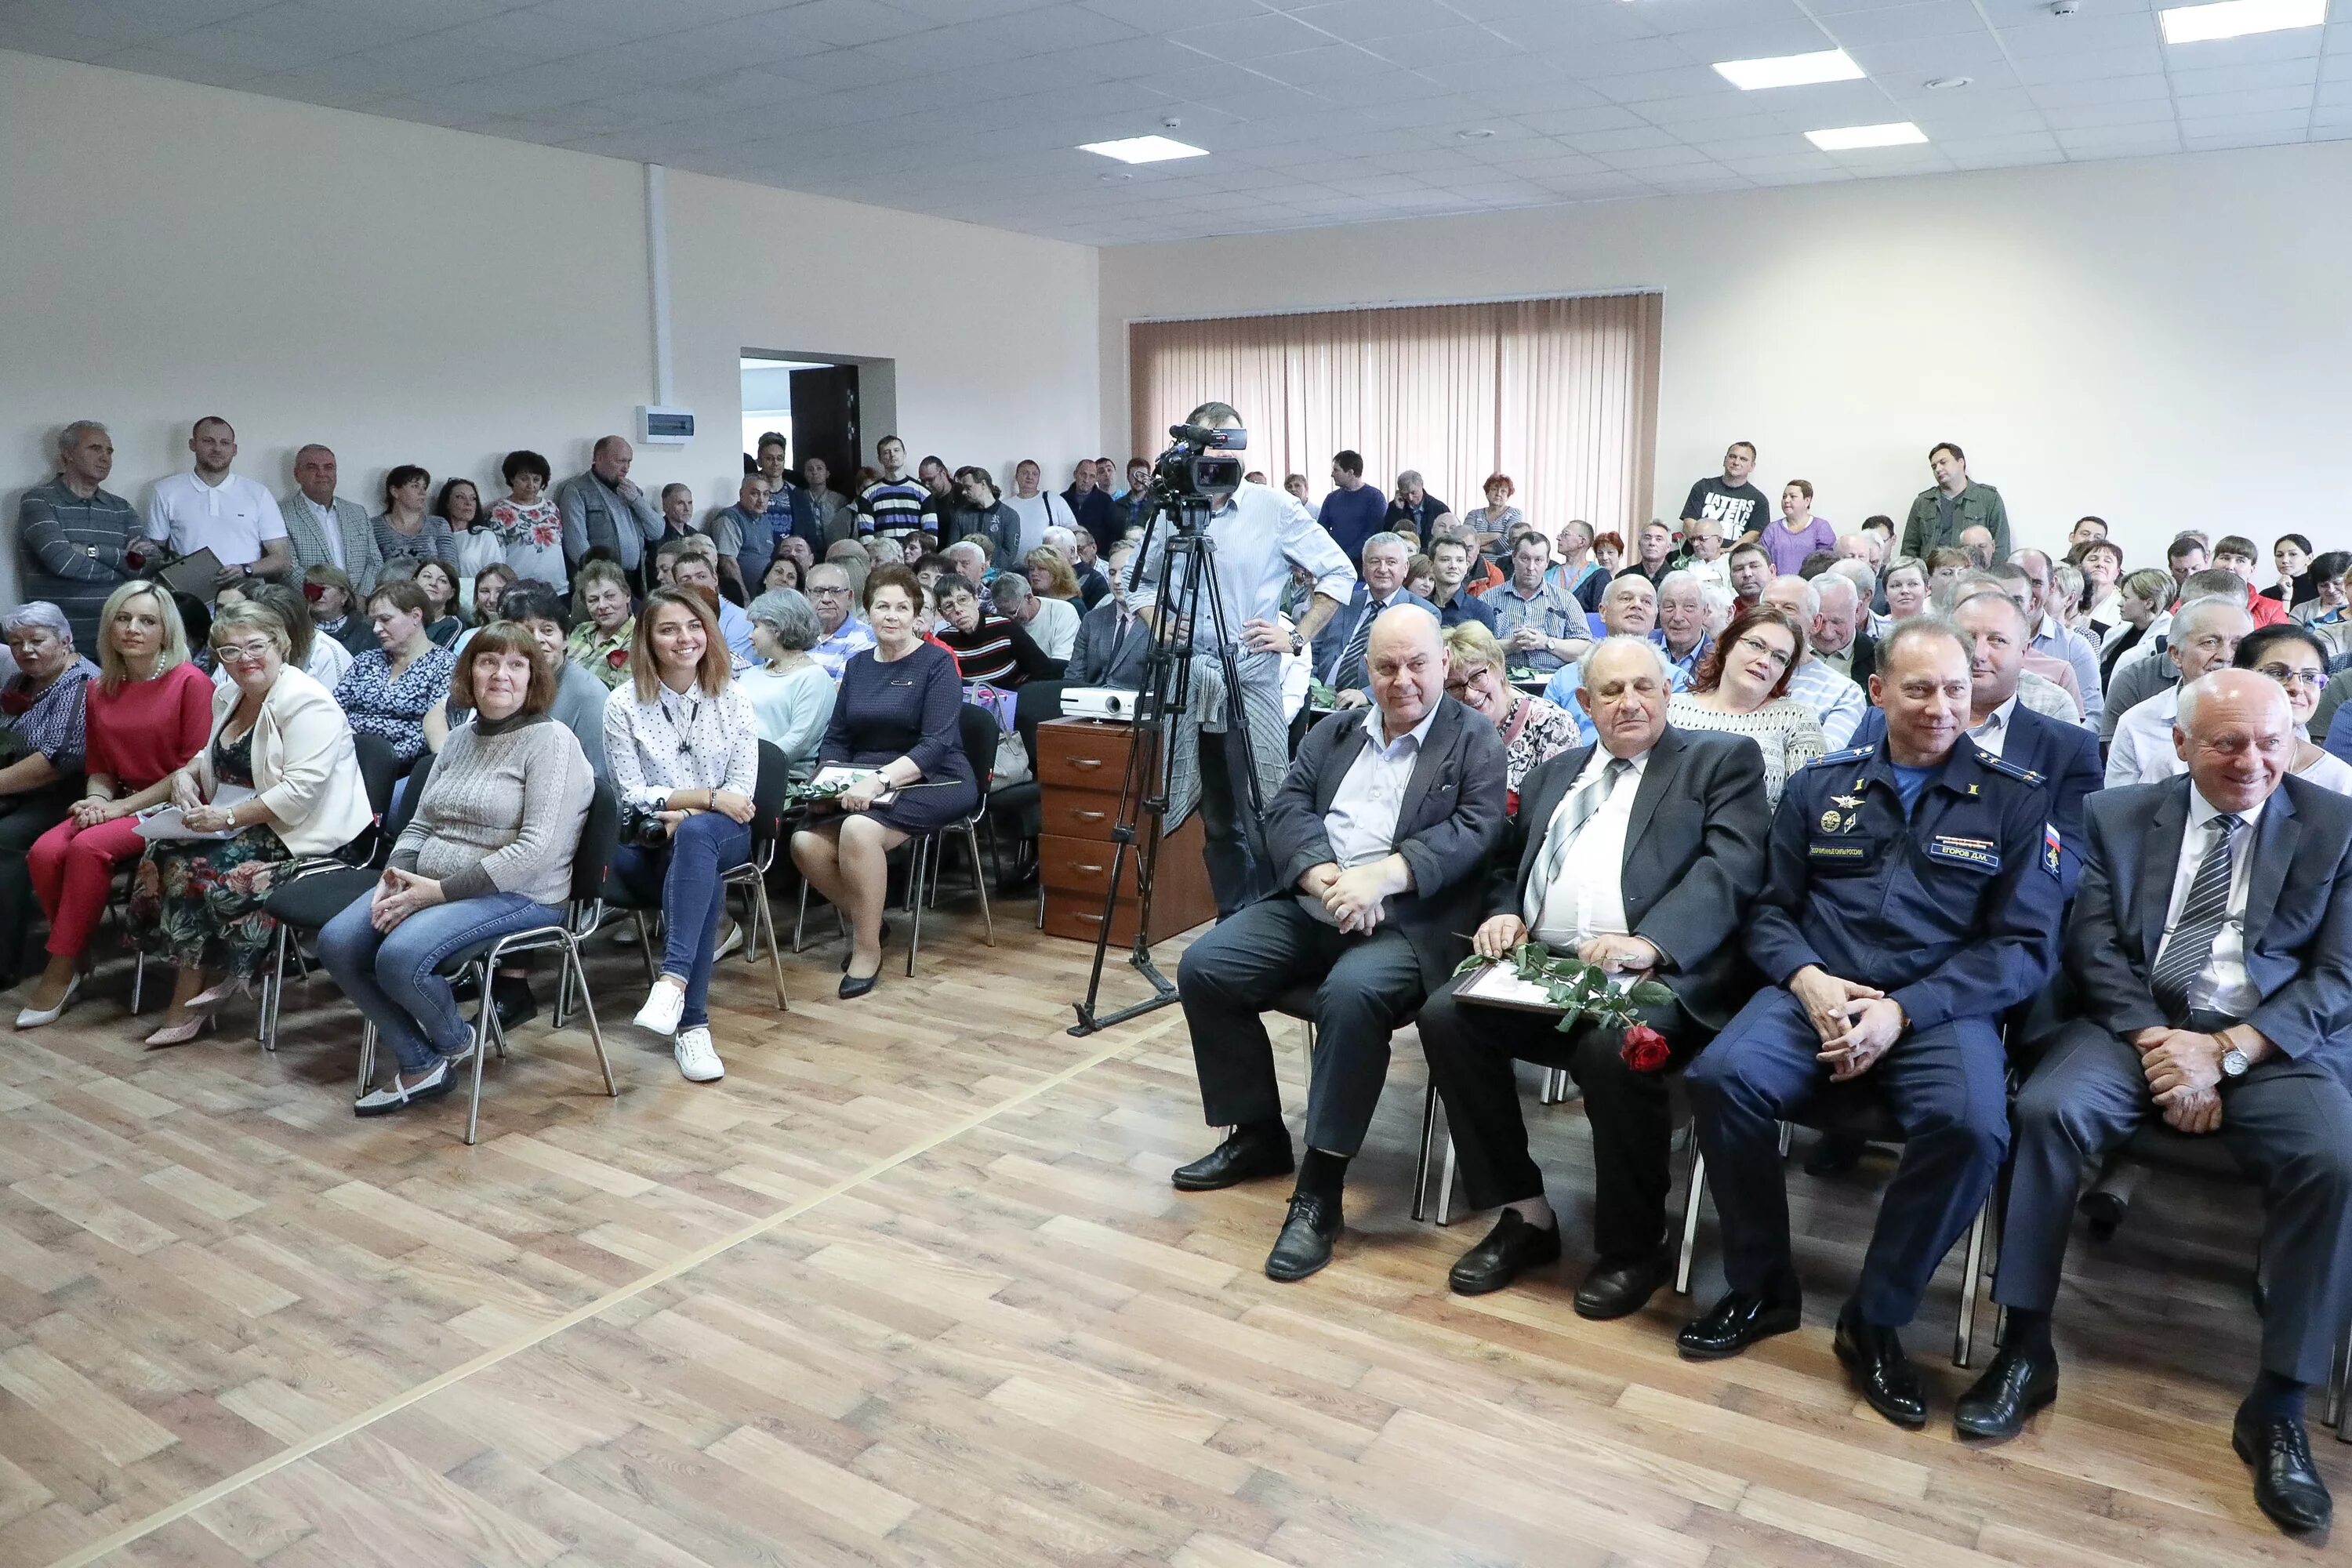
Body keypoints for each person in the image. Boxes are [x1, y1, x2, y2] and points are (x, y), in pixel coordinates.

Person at [1962, 670, 2352, 1534]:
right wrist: (2160, 1042)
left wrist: (2225, 1052)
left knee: (2336, 1157)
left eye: (2269, 742)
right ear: (2180, 744)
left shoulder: (2338, 826)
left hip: (2267, 1041)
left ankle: (2280, 1403)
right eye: (2226, 743)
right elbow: (2091, 942)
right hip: (2134, 1024)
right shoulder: (2119, 815)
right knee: (2044, 1112)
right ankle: (2024, 1347)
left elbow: (2338, 975)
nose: (2251, 761)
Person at [1679, 619, 2063, 1430]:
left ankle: (1877, 1316)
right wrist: (1809, 978)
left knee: (1969, 1126)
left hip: (1940, 1007)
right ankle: (1761, 1285)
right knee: (1721, 1079)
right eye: (1919, 687)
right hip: (1815, 989)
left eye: (1955, 688)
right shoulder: (1825, 783)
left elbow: (2024, 948)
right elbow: (1769, 909)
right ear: (1879, 690)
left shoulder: (2017, 799)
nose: (1940, 705)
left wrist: (1902, 1009)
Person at [1424, 637, 1769, 1312]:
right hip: (1542, 967)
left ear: (1668, 693)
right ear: (1585, 703)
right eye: (1610, 692)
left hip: (1654, 974)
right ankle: (1526, 1214)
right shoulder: (1557, 773)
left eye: (1644, 687)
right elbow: (1505, 865)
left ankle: (1634, 1246)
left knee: (1609, 1050)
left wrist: (1651, 943)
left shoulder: (1718, 761)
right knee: (1445, 1016)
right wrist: (1503, 915)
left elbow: (1732, 868)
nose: (1629, 702)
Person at [1171, 608, 1506, 1281]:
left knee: (1349, 998)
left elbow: (1476, 831)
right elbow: (1288, 808)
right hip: (1316, 904)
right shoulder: (1337, 730)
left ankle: (1320, 1192)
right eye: (1386, 667)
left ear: (1444, 663)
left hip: (1410, 922)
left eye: (1416, 664)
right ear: (1366, 669)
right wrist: (1326, 878)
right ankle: (1258, 1133)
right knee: (1205, 966)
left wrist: (1381, 878)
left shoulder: (1474, 740)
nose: (1401, 680)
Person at [327, 623, 596, 1116]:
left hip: (524, 896)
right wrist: (397, 875)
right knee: (339, 942)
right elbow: (420, 822)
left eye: (517, 664)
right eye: (488, 661)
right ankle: (420, 1060)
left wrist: (436, 893)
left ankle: (453, 1040)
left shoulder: (551, 742)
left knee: (400, 957)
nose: (501, 674)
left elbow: (535, 851)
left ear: (534, 677)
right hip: (430, 887)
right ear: (469, 671)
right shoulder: (458, 740)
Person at [1135, 406, 1357, 917]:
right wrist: (1160, 622)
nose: (1220, 463)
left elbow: (1338, 575)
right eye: (1211, 453)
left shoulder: (1274, 507)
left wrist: (1296, 637)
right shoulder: (1173, 508)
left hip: (1249, 677)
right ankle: (1233, 919)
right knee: (1216, 821)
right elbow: (1139, 583)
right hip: (1189, 679)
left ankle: (1276, 921)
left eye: (1231, 452)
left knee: (1266, 810)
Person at [130, 602, 371, 1047]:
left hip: (305, 834)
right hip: (245, 821)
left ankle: (199, 992)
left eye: (255, 646)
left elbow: (300, 792)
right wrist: (186, 774)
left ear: (280, 645)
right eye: (229, 651)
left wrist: (225, 817)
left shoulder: (307, 702)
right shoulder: (228, 694)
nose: (244, 659)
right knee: (158, 853)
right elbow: (214, 756)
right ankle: (209, 975)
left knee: (200, 870)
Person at [18, 584, 216, 1028]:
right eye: (124, 618)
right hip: (120, 802)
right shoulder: (99, 688)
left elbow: (194, 769)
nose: (133, 629)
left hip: (176, 804)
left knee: (86, 849)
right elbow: (102, 767)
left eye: (147, 621)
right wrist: (95, 800)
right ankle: (77, 952)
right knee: (45, 852)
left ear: (166, 630)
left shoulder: (191, 681)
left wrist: (120, 810)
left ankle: (60, 969)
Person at [792, 564, 978, 1000]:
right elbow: (837, 736)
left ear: (916, 614)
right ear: (868, 611)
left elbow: (936, 744)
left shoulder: (937, 662)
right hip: (863, 780)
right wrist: (830, 781)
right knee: (805, 844)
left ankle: (866, 949)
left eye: (902, 607)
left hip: (935, 777)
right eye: (882, 606)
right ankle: (872, 919)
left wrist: (876, 782)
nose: (891, 616)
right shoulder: (857, 666)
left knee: (858, 830)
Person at [602, 588, 758, 1080]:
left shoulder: (732, 697)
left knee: (697, 841)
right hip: (650, 840)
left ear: (709, 634)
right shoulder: (622, 705)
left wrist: (688, 810)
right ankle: (692, 1027)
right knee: (694, 858)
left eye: (694, 626)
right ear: (648, 639)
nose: (684, 638)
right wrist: (703, 802)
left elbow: (742, 795)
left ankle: (672, 983)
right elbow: (630, 794)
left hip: (726, 833)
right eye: (668, 629)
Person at [0, 606, 98, 989]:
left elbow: (58, 759)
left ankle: (5, 961)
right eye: (17, 643)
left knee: (5, 839)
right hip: (18, 784)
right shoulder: (23, 680)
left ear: (65, 640)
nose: (27, 650)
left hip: (69, 793)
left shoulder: (82, 683)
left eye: (37, 641)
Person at [1667, 605, 1825, 807]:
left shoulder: (1798, 720)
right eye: (1757, 645)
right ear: (1727, 645)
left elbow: (1809, 809)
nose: (1765, 661)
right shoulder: (1672, 709)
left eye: (1779, 657)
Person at [20, 421, 145, 651]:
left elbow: (145, 566)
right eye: (95, 448)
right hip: (58, 641)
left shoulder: (121, 507)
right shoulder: (38, 501)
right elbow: (63, 562)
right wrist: (123, 567)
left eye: (109, 451)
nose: (105, 458)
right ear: (68, 454)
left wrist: (94, 551)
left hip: (118, 637)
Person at [2108, 596, 2252, 787]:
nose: (2226, 656)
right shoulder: (2137, 724)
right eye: (2210, 642)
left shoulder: (2275, 720)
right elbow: (2116, 810)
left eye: (2238, 644)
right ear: (2176, 654)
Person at [1442, 621, 1581, 811]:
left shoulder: (1552, 724)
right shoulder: (1447, 726)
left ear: (1499, 666)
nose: (1470, 694)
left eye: (1477, 677)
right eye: (1455, 686)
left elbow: (1558, 812)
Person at [147, 417, 292, 590]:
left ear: (234, 449)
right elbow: (155, 554)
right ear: (193, 444)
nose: (217, 448)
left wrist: (245, 570)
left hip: (246, 599)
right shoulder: (166, 490)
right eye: (208, 441)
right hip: (189, 600)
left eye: (225, 443)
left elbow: (281, 559)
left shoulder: (258, 493)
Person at [336, 581, 459, 764]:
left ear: (416, 616)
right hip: (344, 759)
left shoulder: (444, 665)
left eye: (385, 619)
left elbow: (431, 732)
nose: (376, 629)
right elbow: (335, 710)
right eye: (374, 621)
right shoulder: (366, 660)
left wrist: (378, 761)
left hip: (402, 769)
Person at [1312, 534, 1439, 703]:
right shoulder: (1342, 601)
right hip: (1318, 704)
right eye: (1375, 562)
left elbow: (1420, 671)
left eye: (1391, 562)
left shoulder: (1422, 612)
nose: (1383, 569)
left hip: (1376, 707)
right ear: (1364, 568)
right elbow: (1312, 652)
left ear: (1406, 568)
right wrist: (1310, 687)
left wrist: (1367, 695)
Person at [2228, 625, 2352, 793]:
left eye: (2309, 677)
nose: (2297, 687)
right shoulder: (2202, 753)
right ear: (2238, 676)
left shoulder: (2338, 779)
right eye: (2277, 673)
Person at [1542, 573, 1664, 735]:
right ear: (1603, 611)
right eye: (1626, 598)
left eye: (1646, 602)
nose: (1637, 605)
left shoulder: (1675, 680)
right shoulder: (1564, 680)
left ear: (1655, 616)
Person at [1757, 576, 1866, 749]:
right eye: (1768, 607)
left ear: (1815, 623)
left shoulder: (1844, 692)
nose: (1776, 615)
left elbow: (1826, 759)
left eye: (1789, 608)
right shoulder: (1741, 672)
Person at [738, 590, 837, 779]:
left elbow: (798, 741)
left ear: (777, 629)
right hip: (738, 775)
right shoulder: (751, 673)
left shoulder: (814, 678)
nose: (750, 636)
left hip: (783, 781)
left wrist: (744, 765)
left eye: (755, 626)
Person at [2009, 550, 2103, 728]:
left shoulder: (2075, 648)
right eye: (2018, 580)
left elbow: (2092, 717)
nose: (2026, 591)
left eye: (2036, 583)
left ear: (2051, 586)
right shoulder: (1975, 641)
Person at [273, 442, 382, 592]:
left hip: (359, 604)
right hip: (309, 607)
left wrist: (361, 597)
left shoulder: (357, 512)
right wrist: (330, 598)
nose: (322, 473)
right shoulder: (279, 514)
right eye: (312, 467)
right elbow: (289, 570)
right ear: (297, 475)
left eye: (329, 467)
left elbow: (374, 561)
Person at [1477, 530, 1586, 677]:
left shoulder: (1565, 600)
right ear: (1513, 558)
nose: (1531, 567)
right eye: (1525, 558)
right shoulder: (1489, 599)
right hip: (1503, 680)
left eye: (1538, 560)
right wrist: (1510, 645)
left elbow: (1585, 649)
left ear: (1547, 562)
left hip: (1552, 682)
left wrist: (1546, 642)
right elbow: (1474, 648)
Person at [557, 437, 663, 585]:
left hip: (636, 578)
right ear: (599, 458)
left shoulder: (631, 490)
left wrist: (636, 501)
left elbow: (657, 531)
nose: (626, 468)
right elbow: (576, 545)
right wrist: (600, 576)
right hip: (600, 580)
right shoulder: (577, 490)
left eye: (629, 462)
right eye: (620, 461)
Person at [933, 573, 1058, 688]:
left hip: (1016, 701)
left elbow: (1044, 672)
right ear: (943, 615)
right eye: (949, 606)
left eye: (963, 599)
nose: (958, 609)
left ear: (977, 600)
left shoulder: (1006, 628)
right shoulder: (943, 641)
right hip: (974, 706)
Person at [1896, 442, 2009, 563]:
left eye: (1943, 462)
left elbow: (2001, 547)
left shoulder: (1988, 498)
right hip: (1932, 577)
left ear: (1961, 462)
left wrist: (1989, 580)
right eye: (1934, 467)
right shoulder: (1923, 503)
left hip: (1974, 577)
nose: (1938, 469)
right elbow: (1909, 551)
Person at [1064, 546, 1154, 689]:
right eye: (1112, 573)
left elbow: (1158, 689)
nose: (1117, 580)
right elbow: (1073, 677)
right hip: (1089, 704)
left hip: (1135, 707)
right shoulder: (1092, 620)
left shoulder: (1162, 624)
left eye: (1125, 573)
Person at [491, 450, 568, 593]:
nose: (531, 485)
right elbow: (497, 558)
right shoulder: (500, 511)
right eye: (524, 479)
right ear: (512, 479)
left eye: (536, 479)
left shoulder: (551, 507)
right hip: (521, 591)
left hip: (558, 588)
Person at [670, 546, 757, 662]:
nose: (695, 583)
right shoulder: (672, 616)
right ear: (677, 586)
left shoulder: (739, 619)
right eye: (686, 579)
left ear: (715, 579)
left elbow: (736, 669)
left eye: (701, 576)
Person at [564, 560, 636, 691]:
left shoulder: (639, 638)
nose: (602, 606)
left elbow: (622, 694)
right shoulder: (580, 630)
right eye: (593, 600)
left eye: (610, 596)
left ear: (627, 595)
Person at [1680, 441, 1770, 542]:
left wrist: (1728, 552)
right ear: (1724, 460)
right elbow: (1689, 523)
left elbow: (1755, 534)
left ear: (1752, 466)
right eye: (1732, 457)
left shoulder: (1759, 500)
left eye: (1743, 459)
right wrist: (1707, 547)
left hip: (1733, 556)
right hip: (1697, 553)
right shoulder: (1703, 487)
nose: (1736, 462)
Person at [705, 473, 775, 602]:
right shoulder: (730, 518)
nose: (761, 500)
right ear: (742, 494)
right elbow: (727, 562)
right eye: (755, 494)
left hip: (766, 596)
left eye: (766, 494)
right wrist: (744, 597)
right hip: (744, 597)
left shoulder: (766, 522)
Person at [371, 463, 452, 568]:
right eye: (415, 486)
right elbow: (371, 569)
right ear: (395, 491)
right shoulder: (374, 527)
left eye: (424, 487)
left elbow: (451, 570)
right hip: (391, 584)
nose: (423, 493)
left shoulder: (439, 525)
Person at [439, 479, 504, 610]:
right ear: (447, 502)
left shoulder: (484, 536)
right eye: (460, 497)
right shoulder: (437, 536)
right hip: (442, 603)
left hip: (474, 605)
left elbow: (495, 576)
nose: (468, 503)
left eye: (473, 498)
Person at [750, 433, 818, 556]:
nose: (775, 463)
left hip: (791, 558)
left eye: (779, 458)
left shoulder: (798, 495)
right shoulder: (751, 494)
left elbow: (811, 536)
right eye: (769, 458)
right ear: (759, 462)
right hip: (761, 557)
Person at [991, 572, 1079, 664]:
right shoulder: (999, 620)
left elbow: (1062, 663)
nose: (1009, 620)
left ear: (1029, 597)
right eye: (1001, 614)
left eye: (1013, 613)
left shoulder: (1063, 612)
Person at [945, 466, 1021, 569]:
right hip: (964, 574)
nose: (963, 492)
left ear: (983, 484)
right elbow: (953, 548)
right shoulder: (960, 515)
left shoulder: (1010, 516)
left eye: (968, 487)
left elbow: (1009, 553)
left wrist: (989, 572)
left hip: (996, 576)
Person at [855, 436, 927, 543]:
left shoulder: (924, 492)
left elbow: (930, 536)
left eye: (896, 450)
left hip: (915, 557)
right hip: (883, 556)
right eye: (886, 452)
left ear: (905, 454)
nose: (892, 455)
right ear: (880, 459)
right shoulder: (867, 495)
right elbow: (866, 538)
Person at [1318, 450, 1388, 563]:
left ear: (1350, 473)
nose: (1332, 474)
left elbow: (1373, 534)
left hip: (1363, 567)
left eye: (1336, 470)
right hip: (1334, 564)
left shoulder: (1375, 498)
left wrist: (1347, 557)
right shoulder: (1331, 499)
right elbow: (1321, 532)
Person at [1422, 532, 1498, 632]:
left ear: (1467, 566)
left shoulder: (1480, 611)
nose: (1453, 566)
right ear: (1431, 565)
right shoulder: (1419, 607)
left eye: (1460, 560)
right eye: (1445, 560)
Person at [1759, 481, 1835, 576]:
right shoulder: (1772, 529)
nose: (1786, 500)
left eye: (1792, 496)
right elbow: (1762, 560)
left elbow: (1826, 564)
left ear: (1807, 501)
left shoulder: (1821, 527)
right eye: (1784, 497)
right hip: (1778, 587)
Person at [1655, 569, 1716, 687]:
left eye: (1689, 607)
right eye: (1669, 606)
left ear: (1705, 612)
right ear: (1659, 609)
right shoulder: (1643, 646)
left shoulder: (1719, 660)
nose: (1678, 617)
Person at [1549, 520, 1611, 610]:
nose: (1558, 538)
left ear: (1582, 542)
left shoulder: (1599, 576)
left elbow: (1600, 616)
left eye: (1565, 534)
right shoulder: (1549, 573)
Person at [1459, 474, 1523, 550]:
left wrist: (1478, 548)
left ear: (1508, 496)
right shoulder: (1473, 514)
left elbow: (1508, 543)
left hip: (1503, 561)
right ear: (1487, 493)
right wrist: (1497, 535)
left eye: (1503, 491)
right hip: (1476, 561)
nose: (1498, 494)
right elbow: (1464, 540)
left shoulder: (1514, 513)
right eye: (1494, 489)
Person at [799, 456, 853, 543]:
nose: (814, 472)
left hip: (833, 546)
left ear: (827, 473)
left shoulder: (840, 500)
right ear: (804, 474)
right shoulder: (798, 497)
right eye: (810, 469)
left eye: (819, 468)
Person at [412, 561, 465, 648]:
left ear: (451, 593)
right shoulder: (399, 616)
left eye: (442, 581)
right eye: (427, 576)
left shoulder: (453, 626)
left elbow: (437, 660)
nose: (433, 583)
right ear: (414, 582)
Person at [1385, 471, 1452, 539]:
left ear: (1422, 485)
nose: (1410, 498)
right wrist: (1398, 511)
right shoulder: (1394, 507)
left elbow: (1448, 537)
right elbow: (1388, 536)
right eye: (1405, 494)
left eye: (1413, 493)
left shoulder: (1439, 508)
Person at [2263, 532, 2315, 607]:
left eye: (2293, 554)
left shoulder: (2323, 590)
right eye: (2279, 555)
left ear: (2309, 559)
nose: (2284, 560)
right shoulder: (2267, 596)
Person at [1882, 557, 1929, 624]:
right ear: (1885, 594)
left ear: (1927, 589)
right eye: (1896, 585)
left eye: (1913, 584)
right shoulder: (1877, 631)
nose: (1904, 590)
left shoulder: (1939, 630)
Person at [1727, 539, 1772, 610]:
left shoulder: (1788, 610)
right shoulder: (1725, 615)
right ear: (1730, 577)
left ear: (1772, 571)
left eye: (1754, 566)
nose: (1747, 574)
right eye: (1739, 569)